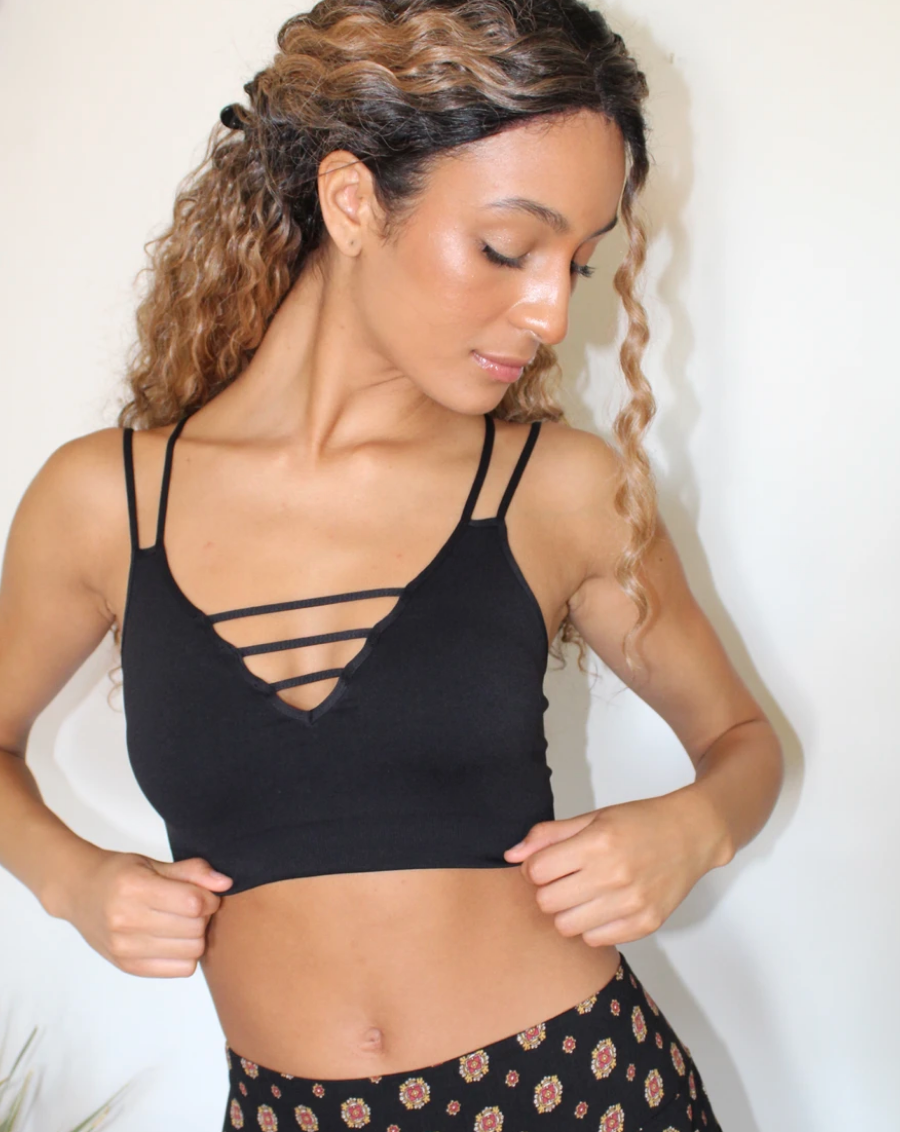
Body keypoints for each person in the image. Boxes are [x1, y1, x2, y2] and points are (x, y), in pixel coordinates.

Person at [0, 1, 784, 1128]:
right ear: (353, 200)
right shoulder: (105, 504)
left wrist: (690, 828)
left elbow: (743, 741)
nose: (550, 310)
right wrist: (71, 879)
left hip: (579, 1092)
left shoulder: (552, 488)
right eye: (509, 248)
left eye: (578, 262)